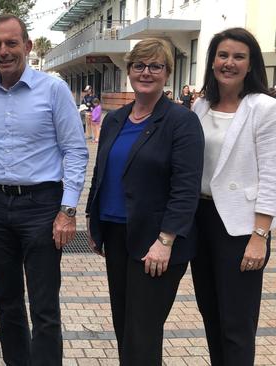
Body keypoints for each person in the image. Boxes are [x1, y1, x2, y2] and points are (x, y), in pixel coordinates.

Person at [0, 14, 88, 365]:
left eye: (11, 43)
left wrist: (67, 211)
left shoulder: (53, 89)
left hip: (42, 206)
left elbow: (76, 150)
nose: (3, 51)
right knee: (6, 303)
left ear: (28, 46)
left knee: (44, 306)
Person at [85, 38, 204, 364]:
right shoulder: (114, 119)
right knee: (125, 326)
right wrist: (92, 219)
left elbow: (186, 187)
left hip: (156, 242)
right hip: (117, 235)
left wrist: (166, 240)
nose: (146, 72)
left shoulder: (181, 121)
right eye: (139, 65)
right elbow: (101, 173)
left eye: (156, 66)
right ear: (129, 70)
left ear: (167, 73)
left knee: (143, 330)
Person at [191, 28, 276, 365]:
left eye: (238, 57)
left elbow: (272, 176)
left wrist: (260, 236)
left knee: (237, 323)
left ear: (250, 65)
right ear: (213, 61)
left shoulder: (266, 108)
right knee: (211, 314)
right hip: (199, 222)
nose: (229, 63)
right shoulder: (200, 105)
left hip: (241, 227)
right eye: (223, 55)